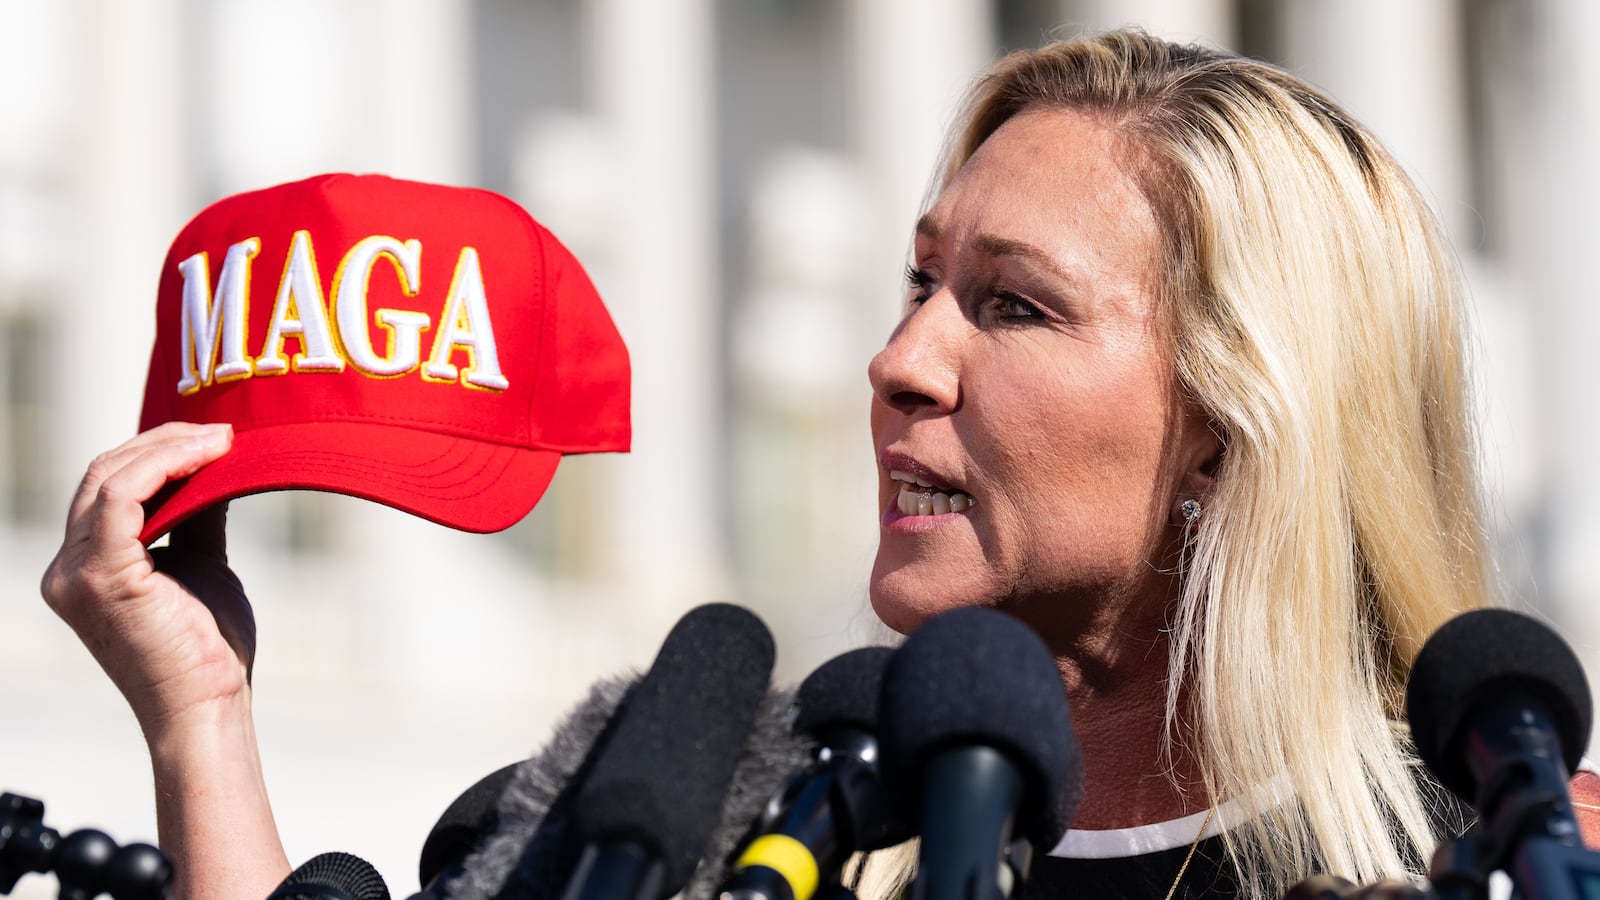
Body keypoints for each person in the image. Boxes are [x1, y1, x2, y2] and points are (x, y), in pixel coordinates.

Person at [39, 28, 1574, 900]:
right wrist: (203, 719)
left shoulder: (1511, 842)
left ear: (1236, 432)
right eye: (921, 282)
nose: (900, 360)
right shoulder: (710, 820)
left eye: (1013, 306)